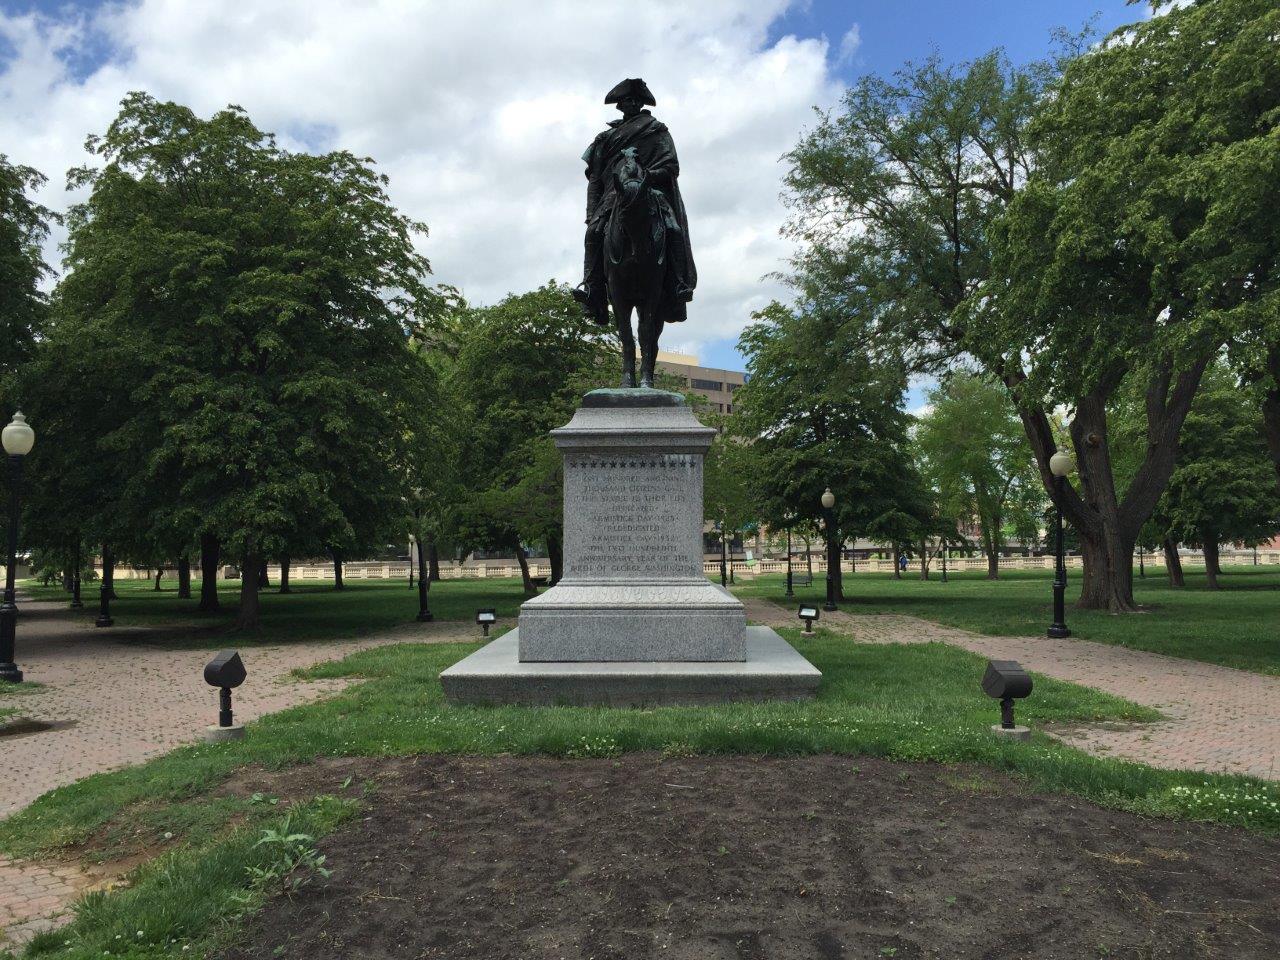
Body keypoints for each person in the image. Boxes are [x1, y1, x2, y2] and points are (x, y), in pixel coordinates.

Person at [572, 77, 696, 325]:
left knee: (672, 228)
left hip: (650, 193)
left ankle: (678, 285)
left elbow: (671, 166)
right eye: (625, 100)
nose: (630, 104)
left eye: (634, 100)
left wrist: (649, 177)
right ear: (619, 105)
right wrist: (591, 214)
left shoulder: (657, 131)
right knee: (593, 235)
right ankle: (592, 290)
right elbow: (595, 179)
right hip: (612, 198)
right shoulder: (603, 140)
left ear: (641, 104)